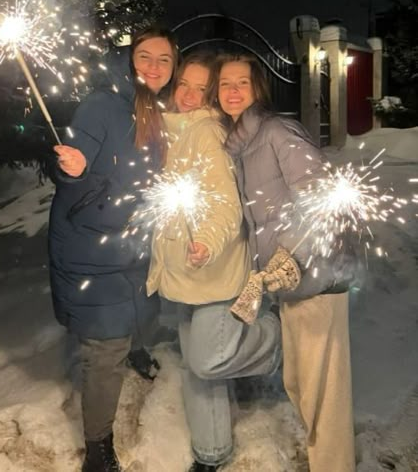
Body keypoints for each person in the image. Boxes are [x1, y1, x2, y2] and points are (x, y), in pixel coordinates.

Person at [209, 52, 356, 472]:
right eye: (225, 84)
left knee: (323, 395)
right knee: (300, 385)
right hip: (290, 281)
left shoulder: (277, 131)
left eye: (242, 82)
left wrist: (288, 254)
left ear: (258, 89)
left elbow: (317, 196)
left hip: (318, 275)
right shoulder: (240, 145)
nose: (233, 91)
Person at [48, 26, 178, 472]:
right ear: (129, 60)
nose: (154, 67)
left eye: (164, 60)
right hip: (93, 243)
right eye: (145, 57)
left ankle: (136, 349)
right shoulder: (102, 104)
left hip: (133, 237)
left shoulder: (155, 108)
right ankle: (98, 448)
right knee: (104, 349)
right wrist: (75, 168)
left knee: (141, 304)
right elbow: (70, 164)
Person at [146, 52, 281, 472]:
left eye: (201, 90)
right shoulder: (170, 131)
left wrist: (206, 241)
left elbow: (225, 205)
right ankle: (212, 452)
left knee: (207, 359)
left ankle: (276, 342)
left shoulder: (204, 132)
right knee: (197, 366)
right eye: (183, 84)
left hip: (214, 269)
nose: (188, 95)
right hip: (184, 270)